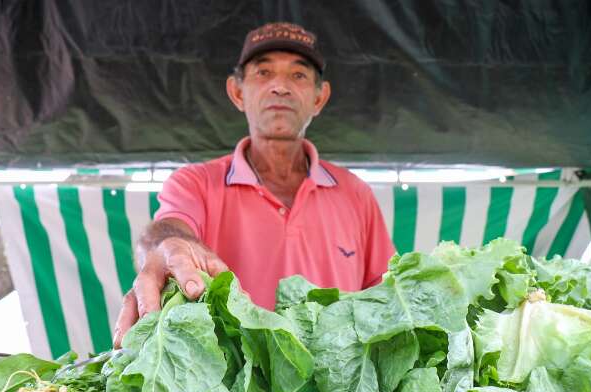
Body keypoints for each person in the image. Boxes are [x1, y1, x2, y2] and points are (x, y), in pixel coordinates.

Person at [113, 22, 395, 347]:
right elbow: (167, 230)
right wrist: (166, 248)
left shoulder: (356, 193)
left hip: (336, 391)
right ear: (237, 92)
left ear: (320, 98)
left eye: (298, 75)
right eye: (263, 73)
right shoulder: (195, 184)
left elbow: (383, 295)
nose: (280, 87)